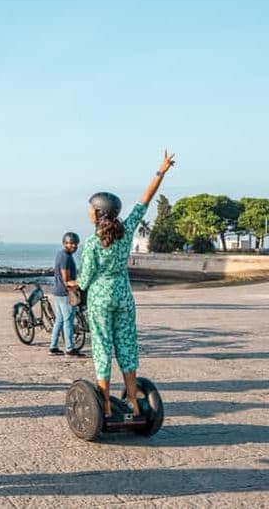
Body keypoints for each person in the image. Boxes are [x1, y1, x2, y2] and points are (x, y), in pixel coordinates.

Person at [68, 150, 176, 418]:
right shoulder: (126, 232)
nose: (88, 212)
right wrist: (161, 171)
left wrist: (74, 283)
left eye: (91, 209)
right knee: (127, 345)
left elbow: (86, 278)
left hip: (101, 300)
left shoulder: (92, 242)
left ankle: (105, 404)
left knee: (102, 347)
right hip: (124, 297)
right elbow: (145, 201)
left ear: (99, 212)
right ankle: (135, 402)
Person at [50, 232, 81, 356]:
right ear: (64, 243)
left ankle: (53, 347)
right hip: (65, 293)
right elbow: (66, 279)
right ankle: (69, 348)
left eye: (76, 244)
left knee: (59, 320)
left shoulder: (61, 254)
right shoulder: (65, 257)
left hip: (58, 292)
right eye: (71, 243)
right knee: (68, 320)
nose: (74, 246)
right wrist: (79, 284)